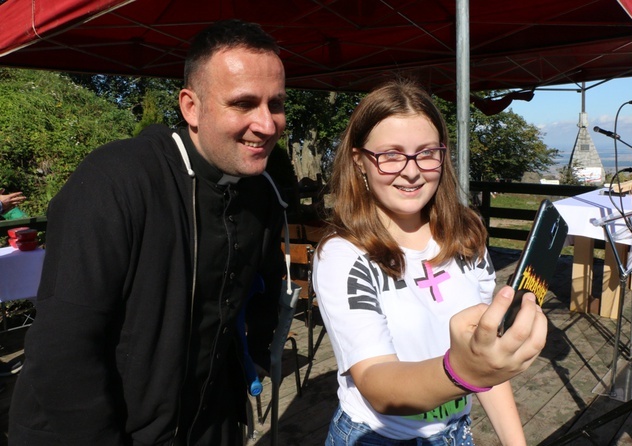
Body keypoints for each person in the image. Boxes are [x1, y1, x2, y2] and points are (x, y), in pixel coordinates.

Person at [9, 19, 287, 445]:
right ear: (191, 107)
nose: (267, 125)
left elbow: (261, 286)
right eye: (244, 103)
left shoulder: (259, 191)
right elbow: (62, 353)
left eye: (276, 104)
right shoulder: (115, 182)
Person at [312, 79, 547, 445]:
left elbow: (482, 360)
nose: (411, 170)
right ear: (359, 161)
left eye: (426, 152)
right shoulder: (344, 255)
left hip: (456, 433)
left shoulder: (467, 236)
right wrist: (462, 371)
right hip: (377, 436)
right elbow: (377, 384)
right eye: (390, 154)